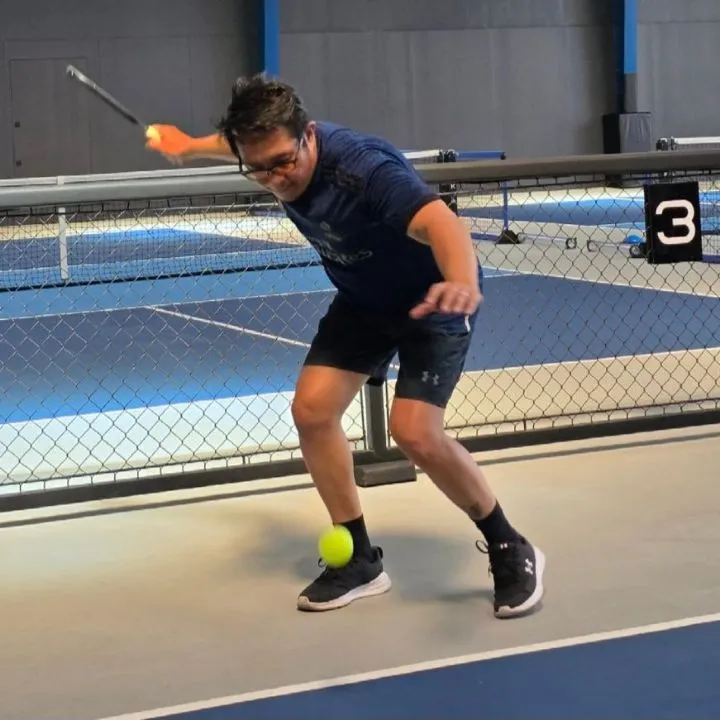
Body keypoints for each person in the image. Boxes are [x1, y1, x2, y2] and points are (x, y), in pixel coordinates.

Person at [146, 73, 545, 618]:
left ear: (309, 135)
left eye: (283, 162)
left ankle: (509, 545)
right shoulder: (265, 150)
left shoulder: (363, 170)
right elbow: (236, 144)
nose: (274, 178)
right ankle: (358, 559)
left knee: (415, 433)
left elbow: (441, 223)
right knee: (312, 411)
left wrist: (461, 280)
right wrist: (187, 144)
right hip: (364, 302)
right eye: (258, 169)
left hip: (434, 299)